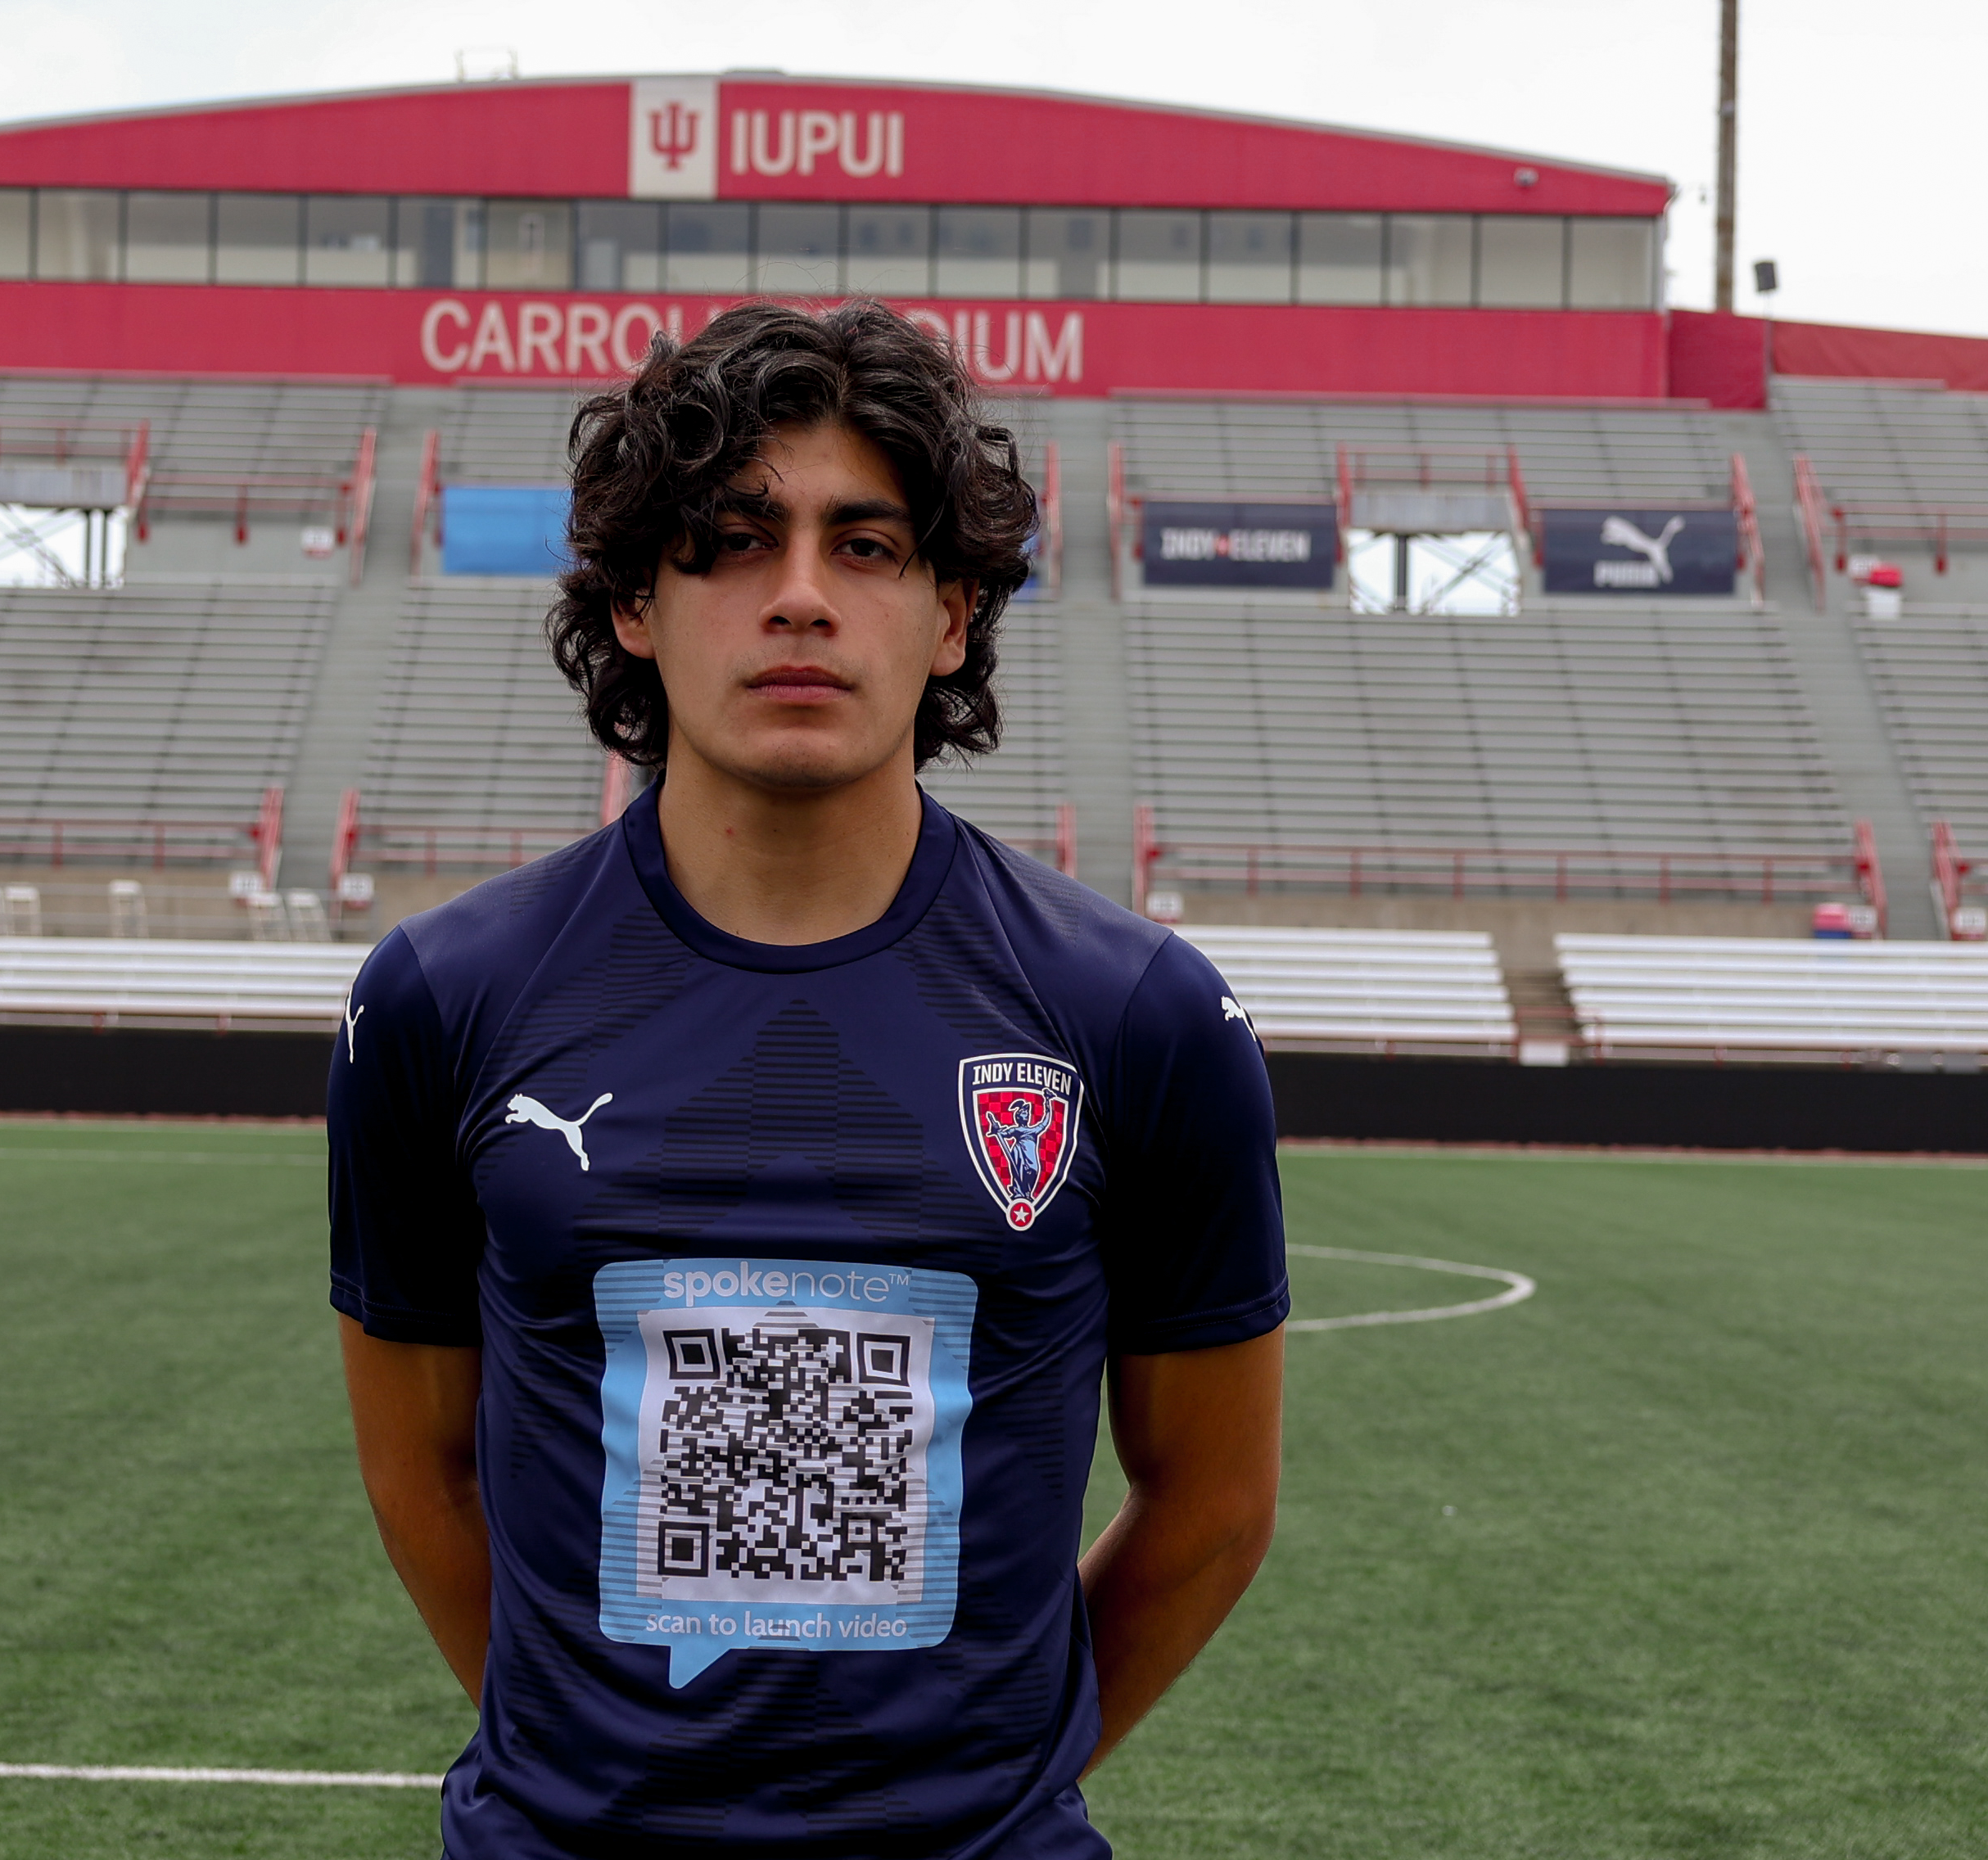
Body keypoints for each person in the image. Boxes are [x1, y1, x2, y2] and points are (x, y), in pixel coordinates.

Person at [329, 300, 1286, 1858]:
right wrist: (591, 1771)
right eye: (731, 542)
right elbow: (418, 1471)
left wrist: (988, 1795)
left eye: (865, 546)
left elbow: (1216, 1505)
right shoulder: (444, 997)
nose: (797, 596)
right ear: (636, 603)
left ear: (952, 614)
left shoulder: (1138, 1015)